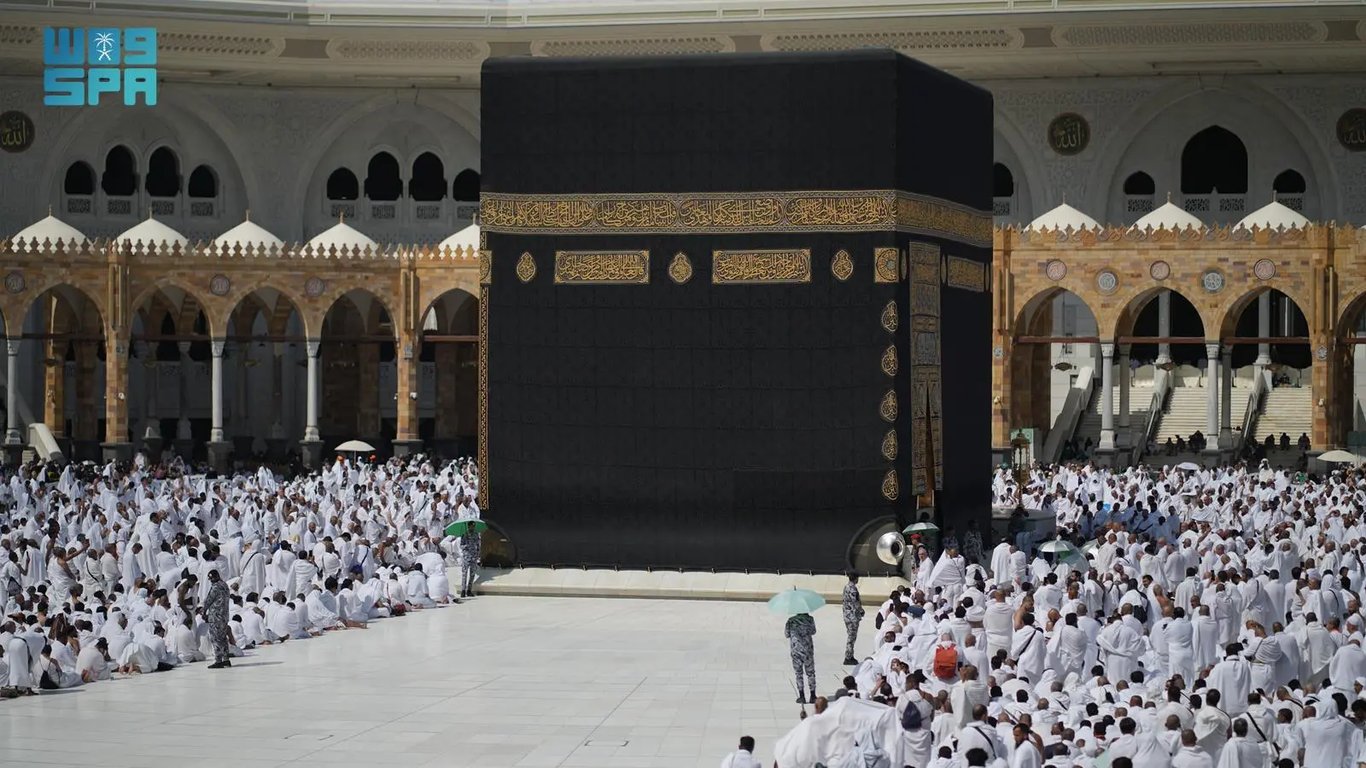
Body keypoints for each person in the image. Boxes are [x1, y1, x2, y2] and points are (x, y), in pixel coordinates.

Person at [785, 611, 817, 704]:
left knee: (798, 673)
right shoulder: (810, 619)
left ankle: (801, 696)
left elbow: (787, 634)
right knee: (810, 673)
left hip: (796, 650)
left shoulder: (791, 620)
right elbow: (813, 631)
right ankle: (813, 695)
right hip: (808, 650)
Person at [203, 569, 232, 669]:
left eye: (211, 579)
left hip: (215, 616)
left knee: (215, 638)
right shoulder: (225, 585)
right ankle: (226, 659)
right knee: (223, 638)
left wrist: (204, 610)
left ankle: (218, 660)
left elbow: (209, 600)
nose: (211, 581)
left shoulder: (215, 587)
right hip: (224, 616)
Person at [843, 571, 864, 665]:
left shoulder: (846, 587)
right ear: (855, 578)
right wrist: (861, 610)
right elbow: (855, 602)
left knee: (850, 636)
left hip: (847, 615)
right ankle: (848, 657)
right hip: (852, 617)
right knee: (851, 637)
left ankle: (850, 655)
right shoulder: (852, 589)